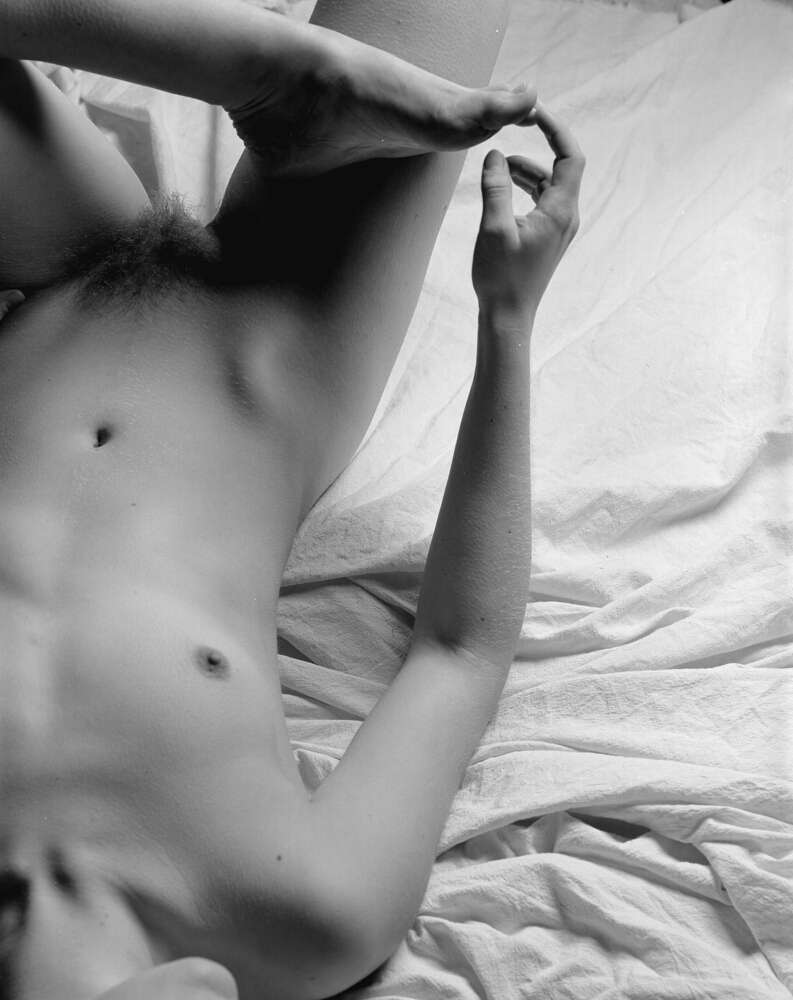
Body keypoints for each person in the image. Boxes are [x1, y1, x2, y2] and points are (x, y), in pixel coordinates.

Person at [0, 0, 584, 997]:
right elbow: (459, 651)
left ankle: (277, 74)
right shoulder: (311, 917)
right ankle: (282, 85)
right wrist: (508, 315)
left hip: (62, 264)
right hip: (277, 339)